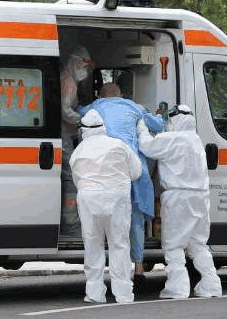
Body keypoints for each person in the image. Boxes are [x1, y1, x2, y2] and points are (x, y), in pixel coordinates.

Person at [79, 83, 164, 279]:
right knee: (135, 217)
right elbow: (158, 126)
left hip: (105, 168)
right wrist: (160, 114)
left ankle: (100, 276)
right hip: (134, 167)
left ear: (100, 95)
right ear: (121, 94)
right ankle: (139, 266)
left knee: (99, 224)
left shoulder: (95, 106)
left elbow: (75, 115)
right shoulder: (134, 106)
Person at [137, 105, 222, 299]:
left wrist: (141, 124)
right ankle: (211, 285)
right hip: (200, 197)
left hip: (178, 198)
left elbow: (146, 146)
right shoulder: (195, 139)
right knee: (198, 244)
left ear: (175, 121)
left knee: (173, 246)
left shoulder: (173, 139)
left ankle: (178, 288)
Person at [70, 109, 142, 304]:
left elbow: (77, 179)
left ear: (84, 130)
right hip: (117, 198)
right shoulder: (119, 144)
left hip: (88, 199)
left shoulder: (78, 151)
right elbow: (136, 172)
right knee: (119, 244)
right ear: (103, 128)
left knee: (93, 245)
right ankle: (124, 294)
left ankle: (94, 293)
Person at [59, 47, 94, 238]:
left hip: (67, 137)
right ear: (74, 62)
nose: (85, 70)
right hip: (64, 137)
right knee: (72, 179)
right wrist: (83, 120)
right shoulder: (68, 82)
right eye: (82, 65)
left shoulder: (67, 79)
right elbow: (65, 111)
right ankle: (70, 225)